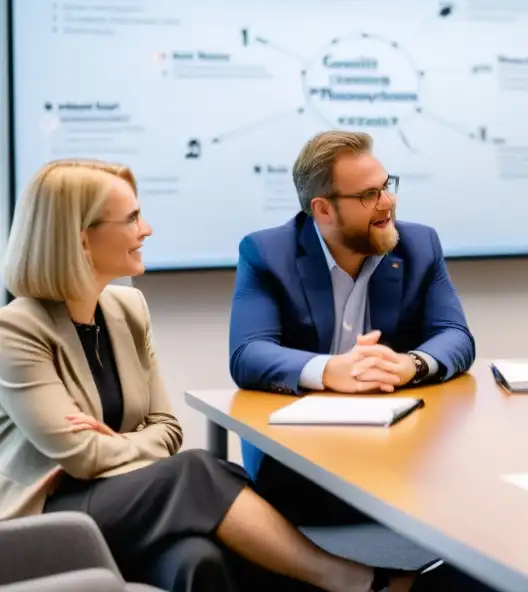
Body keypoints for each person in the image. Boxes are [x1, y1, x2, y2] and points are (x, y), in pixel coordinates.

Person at [0, 159, 392, 592]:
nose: (145, 229)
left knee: (196, 560)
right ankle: (347, 579)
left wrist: (118, 443)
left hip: (131, 497)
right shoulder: (14, 331)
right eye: (131, 219)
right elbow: (81, 457)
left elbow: (168, 430)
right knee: (196, 473)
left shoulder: (128, 310)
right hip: (46, 519)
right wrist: (130, 446)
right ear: (82, 241)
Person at [228, 130, 477, 588]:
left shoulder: (418, 245)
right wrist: (328, 370)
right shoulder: (267, 252)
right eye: (369, 195)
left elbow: (455, 336)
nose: (388, 203)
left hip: (401, 459)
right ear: (323, 209)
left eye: (387, 185)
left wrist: (412, 364)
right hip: (302, 467)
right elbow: (248, 353)